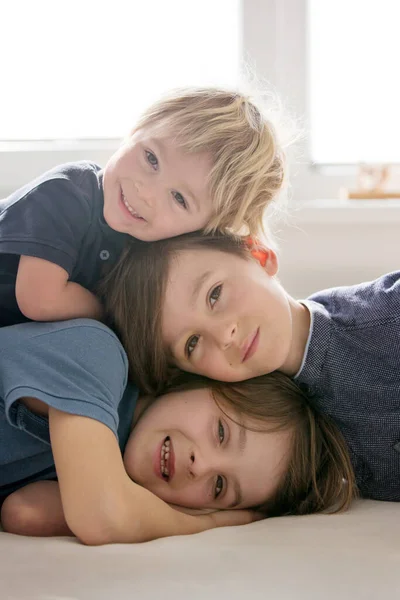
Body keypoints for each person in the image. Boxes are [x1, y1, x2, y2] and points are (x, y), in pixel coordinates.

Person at [103, 231, 400, 503]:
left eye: (215, 294)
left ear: (258, 253)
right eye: (192, 344)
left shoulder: (387, 315)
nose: (223, 335)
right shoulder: (271, 450)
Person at [0, 319, 353, 543]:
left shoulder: (107, 470)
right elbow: (101, 518)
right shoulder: (96, 354)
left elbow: (24, 512)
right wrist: (206, 523)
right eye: (221, 433)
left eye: (218, 486)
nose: (201, 466)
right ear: (199, 380)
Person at [0, 87, 287, 327]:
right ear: (136, 129)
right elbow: (40, 299)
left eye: (179, 198)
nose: (146, 193)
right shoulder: (68, 192)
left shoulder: (149, 248)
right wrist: (110, 315)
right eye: (151, 159)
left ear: (200, 230)